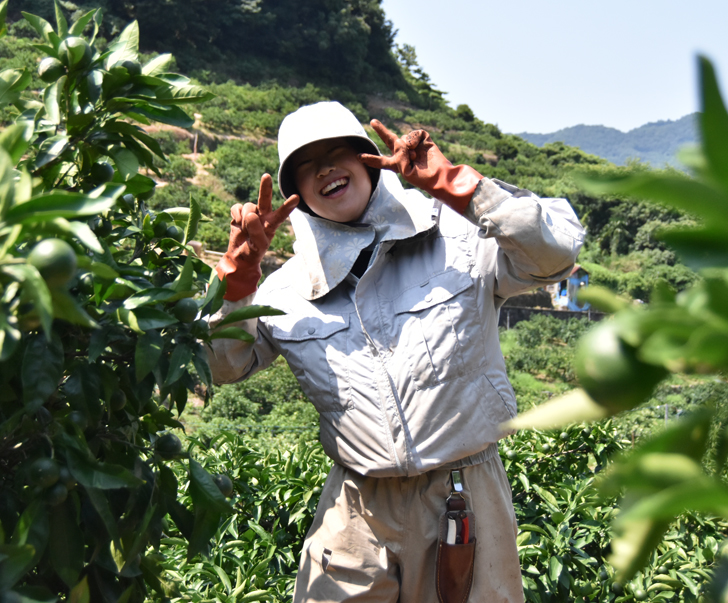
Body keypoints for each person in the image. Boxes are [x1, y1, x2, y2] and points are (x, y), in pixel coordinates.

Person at [209, 101, 585, 603]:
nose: (325, 168)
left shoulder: (458, 235)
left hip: (464, 495)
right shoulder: (285, 289)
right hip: (357, 507)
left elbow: (555, 255)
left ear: (370, 159)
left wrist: (464, 188)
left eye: (339, 152)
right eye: (307, 163)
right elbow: (223, 367)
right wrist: (235, 290)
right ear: (295, 192)